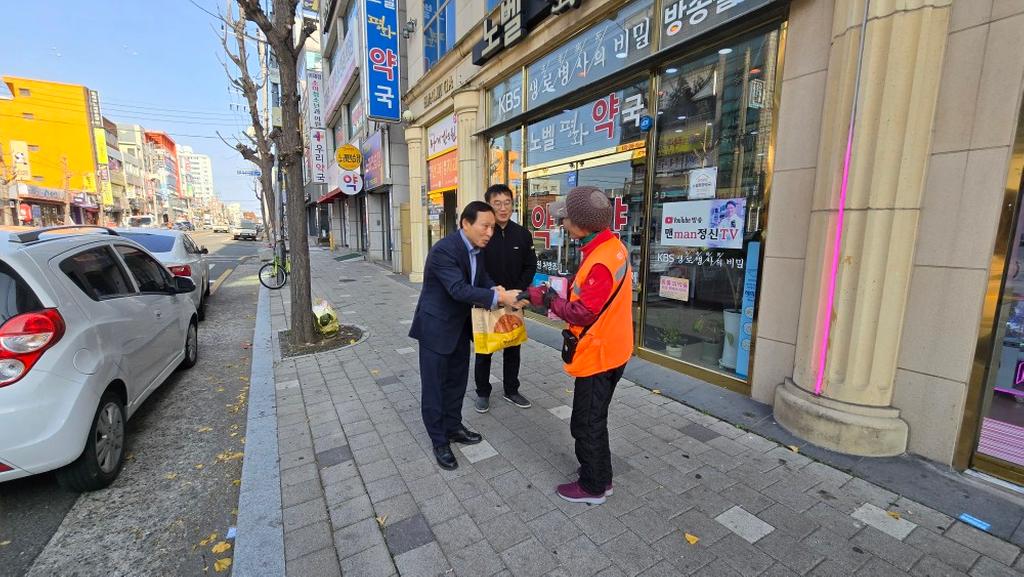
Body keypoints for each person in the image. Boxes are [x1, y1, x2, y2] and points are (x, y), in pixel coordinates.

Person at [527, 186, 633, 505]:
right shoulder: (611, 248)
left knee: (585, 423)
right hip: (614, 347)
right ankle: (603, 477)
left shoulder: (600, 261)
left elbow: (584, 313)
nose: (562, 222)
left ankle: (592, 487)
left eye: (566, 218)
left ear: (581, 225)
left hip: (600, 353)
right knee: (594, 418)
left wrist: (548, 300)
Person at [409, 201, 528, 470]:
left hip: (461, 328)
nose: (489, 232)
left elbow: (480, 277)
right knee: (435, 387)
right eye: (485, 226)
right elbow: (458, 289)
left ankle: (453, 427)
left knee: (457, 382)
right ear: (465, 223)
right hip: (436, 329)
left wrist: (493, 287)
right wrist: (498, 296)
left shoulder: (477, 250)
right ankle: (439, 440)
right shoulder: (444, 251)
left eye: (492, 227)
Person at [474, 184, 537, 413]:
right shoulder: (481, 234)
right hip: (486, 300)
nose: (503, 208)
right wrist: (495, 292)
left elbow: (530, 266)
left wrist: (517, 293)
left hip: (515, 302)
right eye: (497, 203)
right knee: (484, 350)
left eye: (507, 202)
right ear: (488, 205)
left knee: (513, 347)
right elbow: (478, 269)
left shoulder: (522, 233)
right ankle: (482, 392)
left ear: (513, 204)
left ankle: (511, 389)